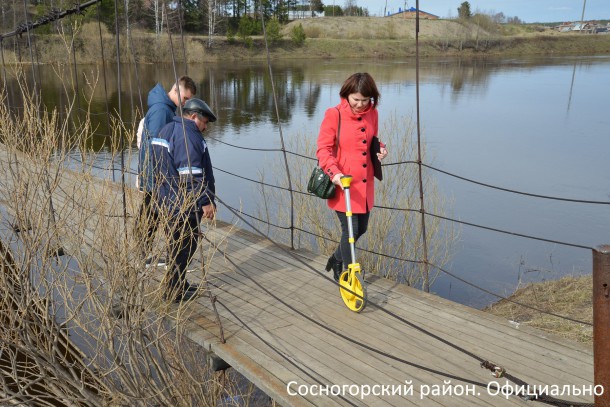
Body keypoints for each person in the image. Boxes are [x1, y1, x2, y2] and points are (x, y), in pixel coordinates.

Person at [316, 72, 388, 281]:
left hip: (364, 187)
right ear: (346, 94)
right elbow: (323, 150)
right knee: (350, 232)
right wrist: (334, 173)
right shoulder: (334, 114)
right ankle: (348, 276)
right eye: (356, 99)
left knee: (361, 229)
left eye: (365, 100)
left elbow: (372, 140)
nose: (360, 104)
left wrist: (381, 149)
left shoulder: (372, 113)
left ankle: (336, 258)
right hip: (343, 184)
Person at [151, 98, 217, 303]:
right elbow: (192, 176)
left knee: (175, 244)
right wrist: (205, 201)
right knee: (185, 246)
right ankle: (174, 292)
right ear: (194, 116)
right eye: (204, 122)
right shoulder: (189, 137)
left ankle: (178, 283)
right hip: (184, 204)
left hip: (166, 199)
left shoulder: (166, 130)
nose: (205, 127)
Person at [136, 76, 197, 267]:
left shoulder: (164, 107)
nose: (186, 103)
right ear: (176, 91)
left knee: (150, 213)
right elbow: (157, 144)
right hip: (157, 173)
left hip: (152, 172)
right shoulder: (163, 110)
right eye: (186, 99)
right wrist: (165, 174)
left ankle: (143, 255)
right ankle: (163, 260)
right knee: (158, 214)